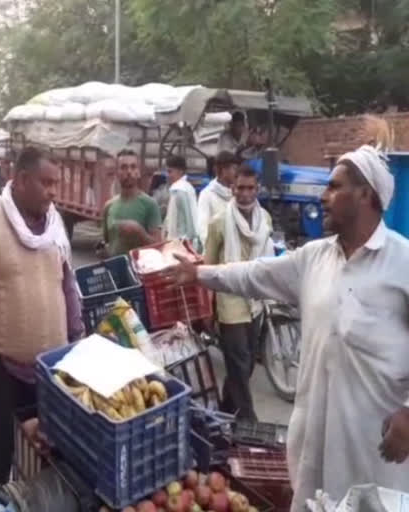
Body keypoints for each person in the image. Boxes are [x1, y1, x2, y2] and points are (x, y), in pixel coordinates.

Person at [163, 144, 409, 510]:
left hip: (373, 448)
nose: (324, 197)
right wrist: (198, 273)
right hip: (315, 441)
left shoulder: (401, 262)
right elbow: (253, 274)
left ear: (365, 195)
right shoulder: (315, 257)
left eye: (334, 187)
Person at [0, 146, 84, 485]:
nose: (53, 192)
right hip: (3, 372)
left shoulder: (55, 225)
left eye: (56, 183)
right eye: (46, 183)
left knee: (53, 466)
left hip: (53, 373)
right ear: (21, 180)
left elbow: (67, 284)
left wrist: (78, 338)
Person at [203, 165, 272, 421]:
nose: (245, 193)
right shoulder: (219, 221)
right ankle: (248, 422)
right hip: (229, 301)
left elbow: (268, 260)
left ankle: (223, 412)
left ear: (258, 189)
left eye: (250, 188)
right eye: (240, 188)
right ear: (232, 189)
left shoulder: (265, 220)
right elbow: (207, 267)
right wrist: (209, 308)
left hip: (254, 301)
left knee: (246, 364)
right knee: (240, 362)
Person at [100, 149, 163, 257]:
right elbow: (107, 243)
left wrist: (138, 232)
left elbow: (159, 248)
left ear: (138, 172)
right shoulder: (109, 206)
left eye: (133, 167)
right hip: (114, 271)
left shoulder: (150, 205)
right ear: (116, 173)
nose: (129, 172)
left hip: (139, 271)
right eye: (124, 167)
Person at [196, 151, 237, 247]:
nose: (236, 173)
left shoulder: (237, 194)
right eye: (234, 169)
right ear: (223, 170)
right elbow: (203, 228)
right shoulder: (207, 195)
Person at [163, 155, 200, 250]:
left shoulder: (180, 190)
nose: (168, 175)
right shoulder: (182, 188)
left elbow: (190, 219)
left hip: (181, 244)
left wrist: (188, 243)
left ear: (180, 171)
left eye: (170, 171)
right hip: (175, 243)